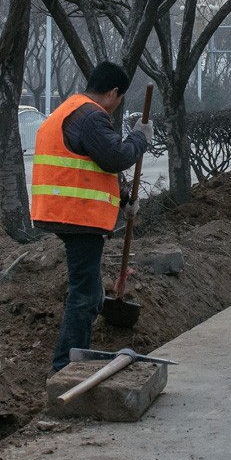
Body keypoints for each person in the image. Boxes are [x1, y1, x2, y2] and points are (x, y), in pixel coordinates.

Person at [33, 62, 151, 372]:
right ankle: (67, 367)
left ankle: (75, 357)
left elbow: (89, 167)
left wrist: (122, 199)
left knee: (89, 291)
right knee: (83, 296)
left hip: (61, 211)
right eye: (120, 98)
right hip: (78, 216)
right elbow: (115, 158)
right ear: (113, 93)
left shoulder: (68, 110)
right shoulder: (92, 116)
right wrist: (140, 138)